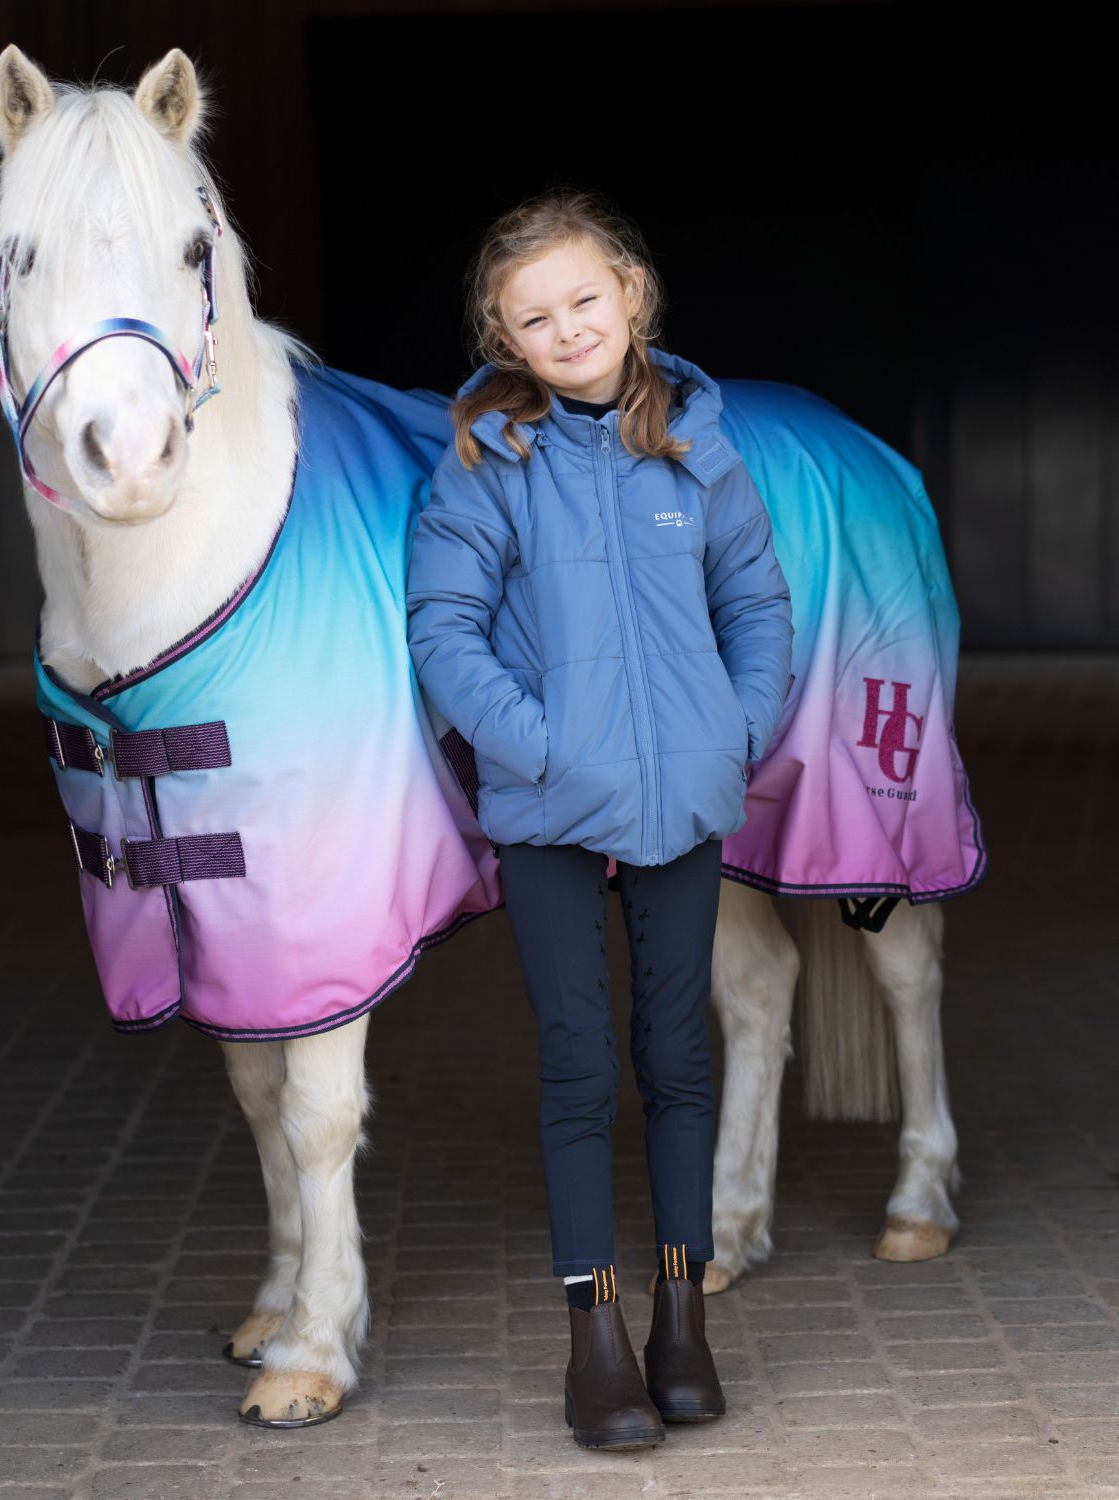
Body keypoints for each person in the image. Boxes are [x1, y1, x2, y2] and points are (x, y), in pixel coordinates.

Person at [406, 191, 793, 1451]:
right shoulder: (485, 463)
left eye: (584, 299)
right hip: (550, 817)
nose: (566, 327)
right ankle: (597, 1343)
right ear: (505, 339)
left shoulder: (699, 447)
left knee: (676, 1059)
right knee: (579, 1066)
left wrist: (728, 729)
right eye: (535, 316)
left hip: (683, 801)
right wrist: (545, 748)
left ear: (631, 294)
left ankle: (685, 1325)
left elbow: (757, 606)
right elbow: (443, 633)